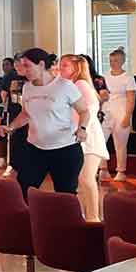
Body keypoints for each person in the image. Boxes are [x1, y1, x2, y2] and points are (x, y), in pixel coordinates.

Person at [0, 48, 89, 199]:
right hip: (35, 148)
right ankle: (30, 215)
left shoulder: (64, 86)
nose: (24, 70)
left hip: (64, 149)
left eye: (27, 66)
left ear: (41, 64)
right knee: (24, 188)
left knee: (65, 195)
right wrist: (11, 127)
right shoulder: (27, 87)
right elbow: (26, 114)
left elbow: (84, 111)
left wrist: (82, 128)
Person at [59, 55, 108, 222]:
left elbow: (88, 111)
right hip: (80, 136)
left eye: (65, 65)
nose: (60, 69)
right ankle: (87, 216)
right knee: (82, 180)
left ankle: (93, 217)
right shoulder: (73, 85)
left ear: (76, 68)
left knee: (87, 179)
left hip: (88, 137)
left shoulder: (80, 85)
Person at [101, 47, 136, 183]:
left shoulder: (128, 78)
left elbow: (131, 99)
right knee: (100, 141)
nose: (112, 63)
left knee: (120, 144)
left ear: (122, 61)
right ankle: (103, 169)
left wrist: (127, 116)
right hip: (106, 112)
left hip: (121, 112)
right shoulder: (104, 77)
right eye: (110, 60)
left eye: (115, 60)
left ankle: (121, 171)